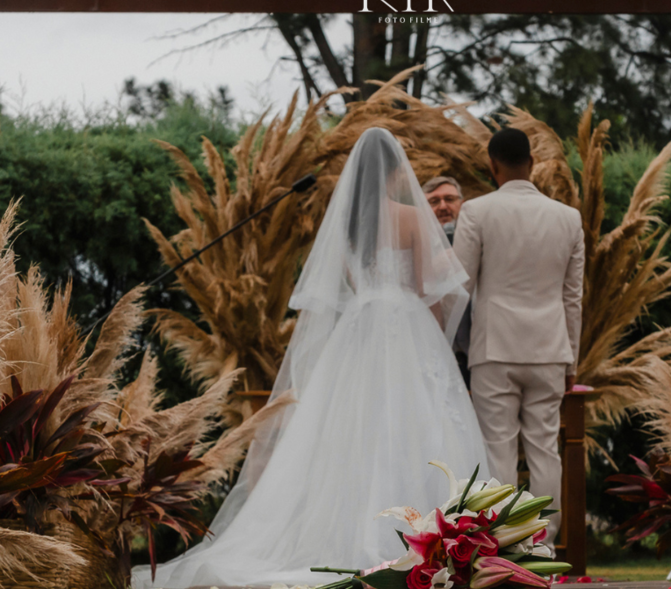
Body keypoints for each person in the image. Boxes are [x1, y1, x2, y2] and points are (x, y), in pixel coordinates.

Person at [133, 128, 488, 588]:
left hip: (359, 327)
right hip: (404, 323)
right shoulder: (409, 217)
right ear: (393, 171)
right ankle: (425, 536)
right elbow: (425, 289)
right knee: (409, 421)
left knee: (351, 429)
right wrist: (435, 336)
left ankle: (344, 531)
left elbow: (347, 284)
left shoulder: (347, 226)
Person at [452, 127, 585, 538]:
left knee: (498, 448)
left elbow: (460, 287)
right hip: (550, 350)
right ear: (532, 162)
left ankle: (499, 542)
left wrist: (441, 344)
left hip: (494, 349)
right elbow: (573, 298)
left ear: (492, 166)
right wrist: (571, 360)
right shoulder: (568, 218)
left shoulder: (476, 212)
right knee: (545, 448)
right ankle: (543, 541)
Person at [423, 176, 472, 389]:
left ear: (462, 203)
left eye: (450, 199)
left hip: (477, 355)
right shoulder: (416, 245)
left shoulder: (478, 241)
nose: (443, 206)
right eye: (434, 201)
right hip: (434, 356)